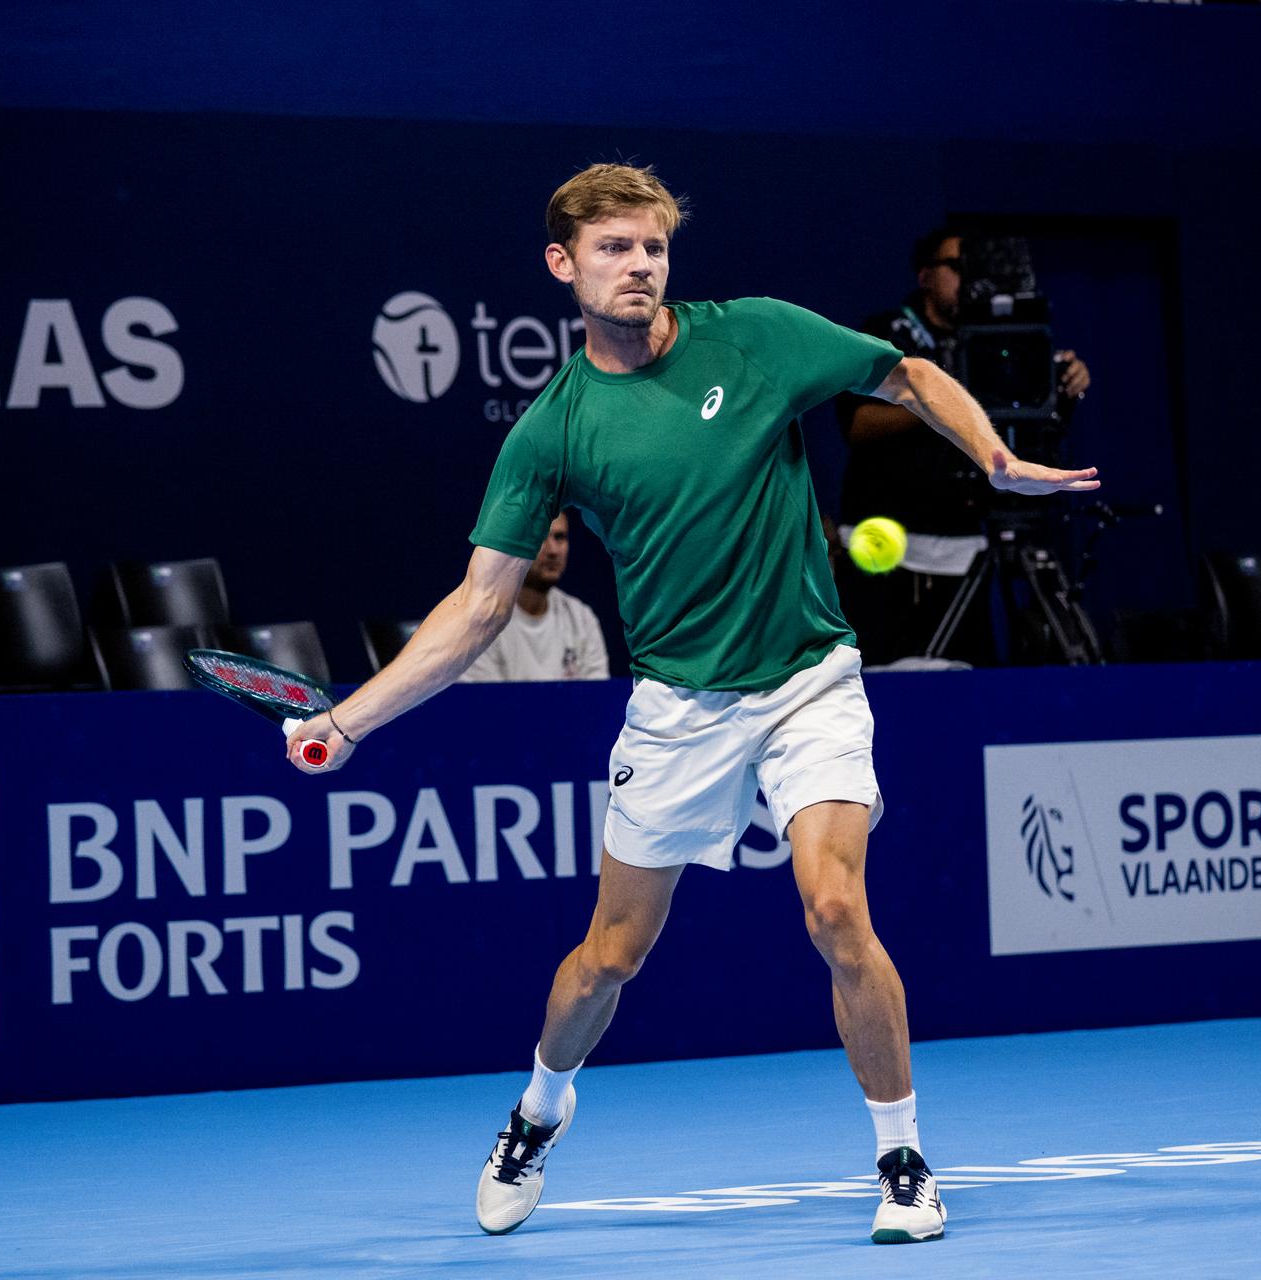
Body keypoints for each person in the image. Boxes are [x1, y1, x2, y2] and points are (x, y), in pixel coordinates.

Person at [282, 164, 1098, 1245]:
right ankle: (538, 1111)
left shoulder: (754, 336)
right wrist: (348, 721)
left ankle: (903, 1160)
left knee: (836, 908)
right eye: (614, 248)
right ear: (563, 264)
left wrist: (990, 453)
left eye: (654, 247)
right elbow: (478, 607)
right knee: (608, 958)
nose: (640, 266)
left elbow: (901, 373)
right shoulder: (554, 430)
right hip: (679, 709)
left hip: (808, 679)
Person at [833, 223, 1091, 667]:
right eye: (956, 266)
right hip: (887, 552)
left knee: (967, 679)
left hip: (965, 546)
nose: (969, 279)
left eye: (975, 269)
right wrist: (940, 402)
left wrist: (1062, 389)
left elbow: (1024, 420)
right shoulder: (887, 332)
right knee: (883, 680)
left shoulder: (998, 341)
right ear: (925, 275)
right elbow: (858, 424)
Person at [458, 512, 610, 682]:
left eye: (559, 537)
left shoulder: (581, 619)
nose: (553, 550)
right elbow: (485, 697)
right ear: (515, 545)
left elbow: (597, 695)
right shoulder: (485, 621)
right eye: (540, 538)